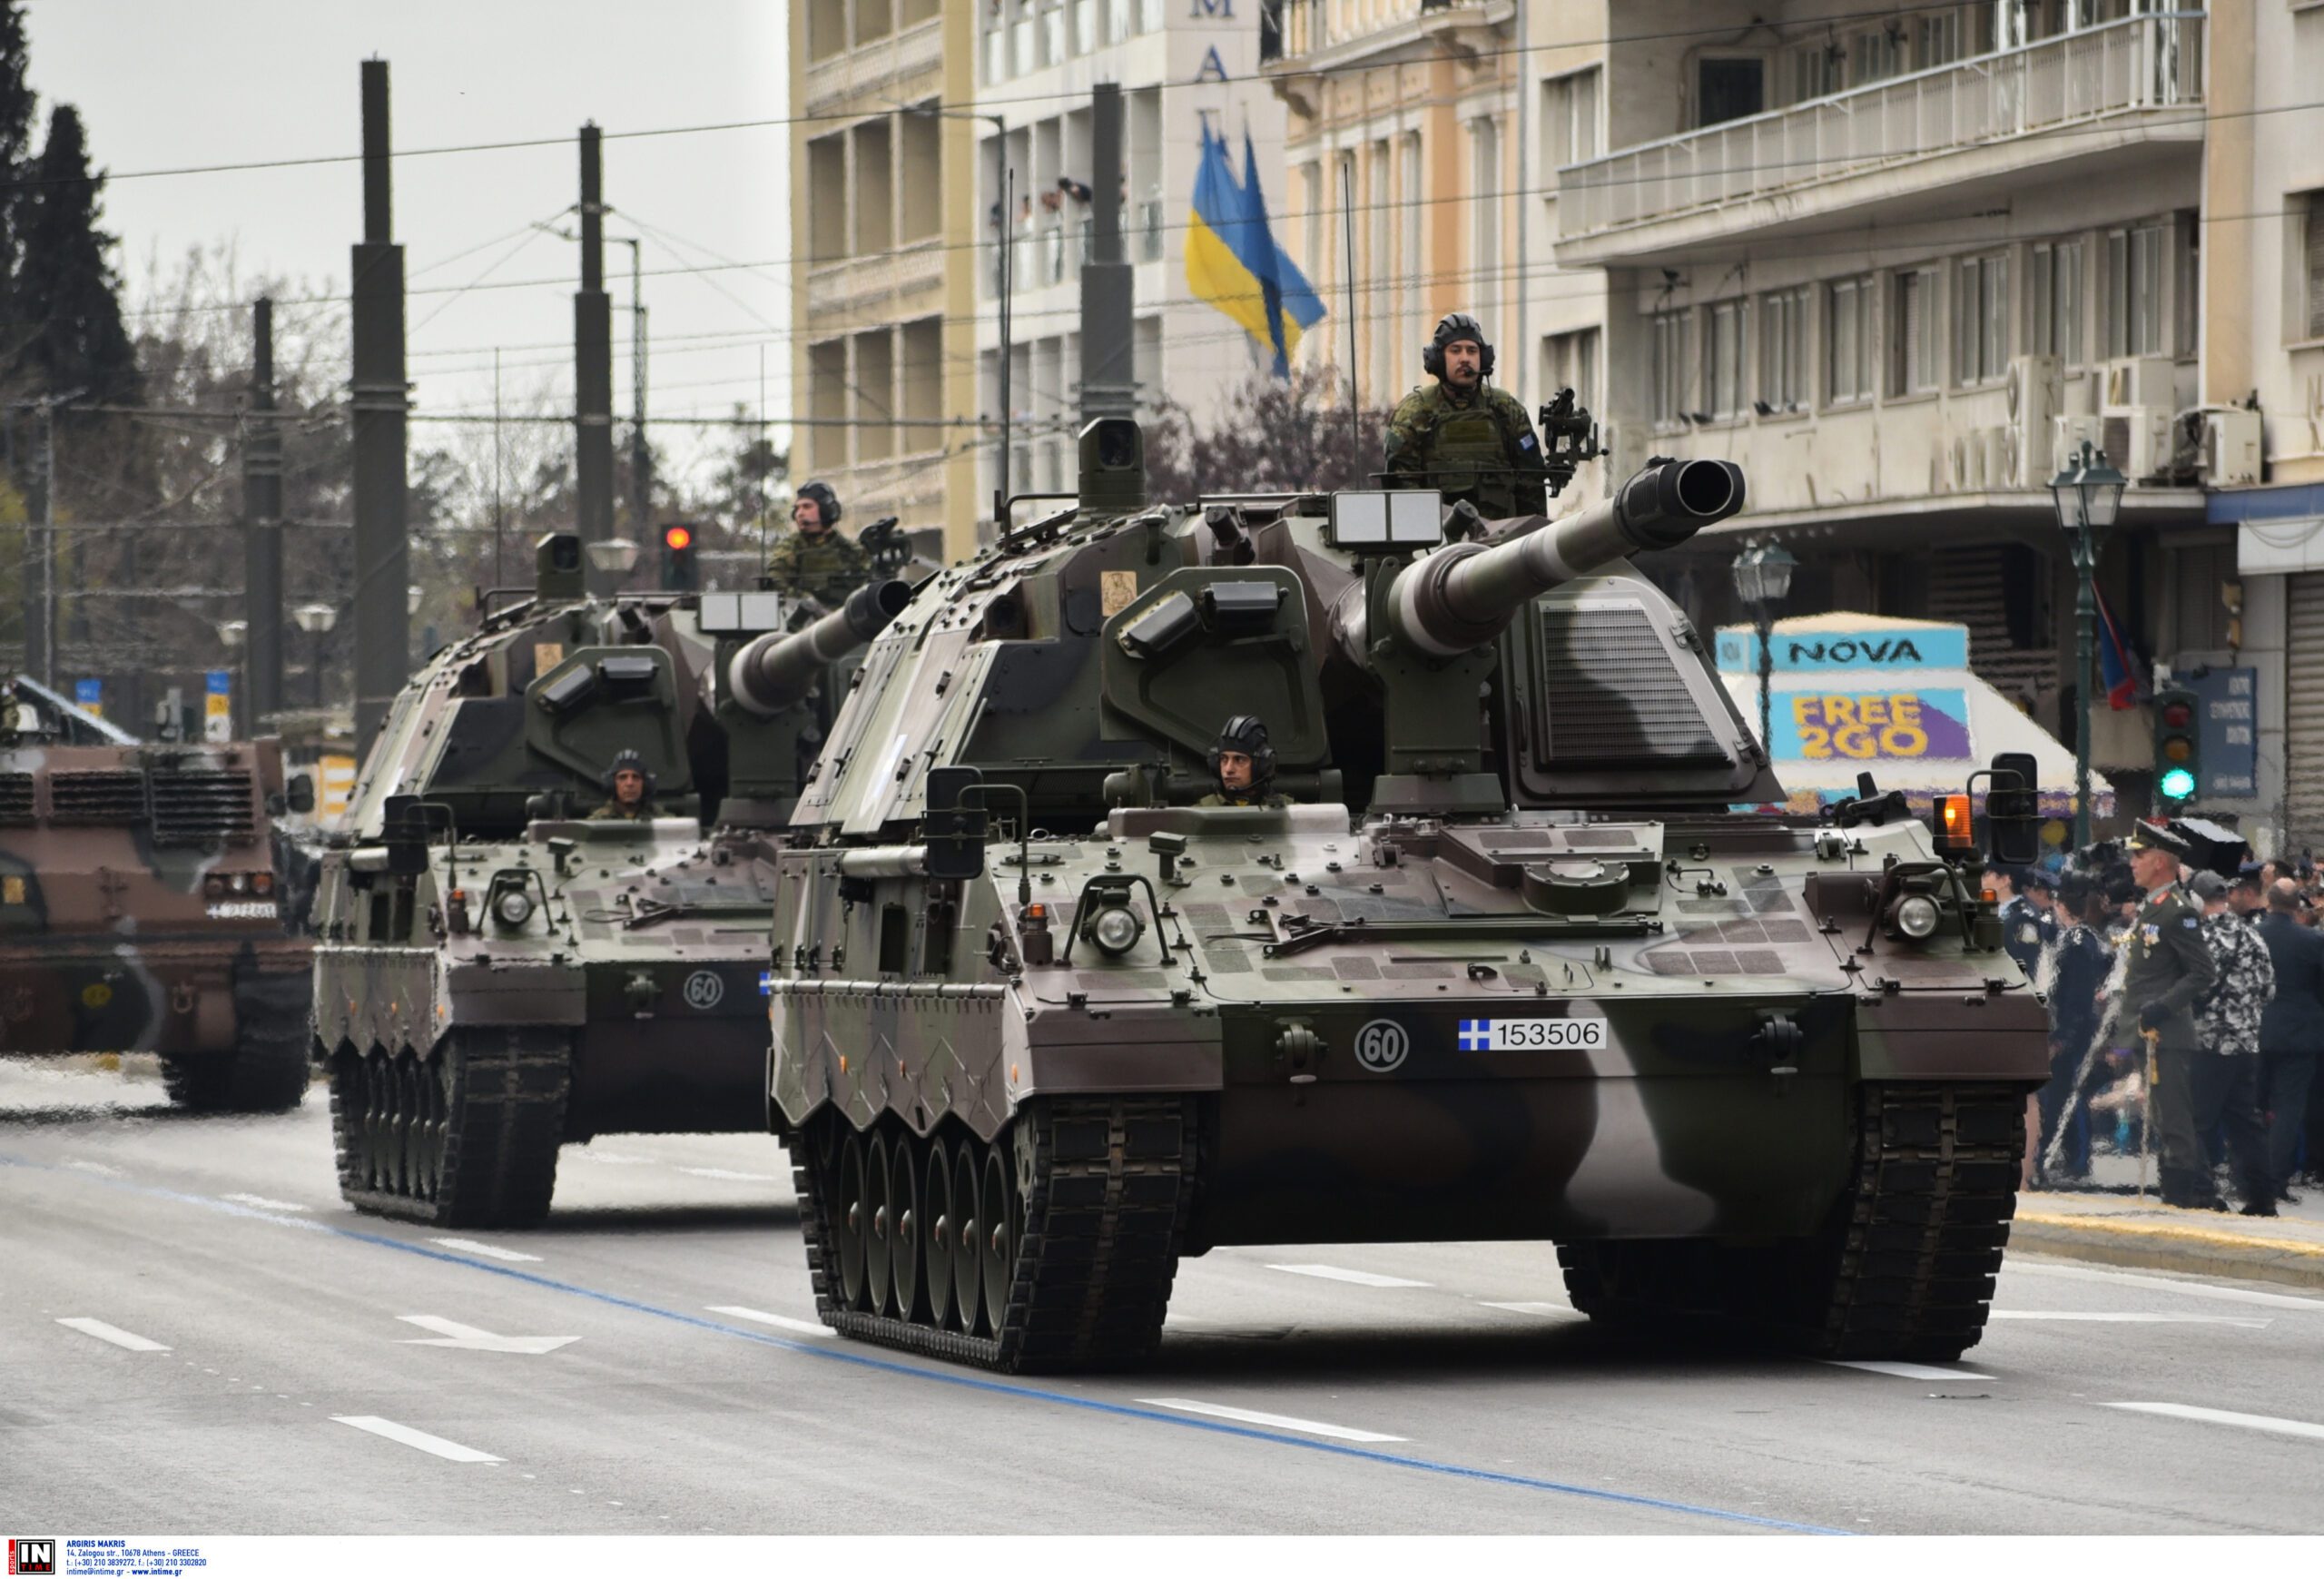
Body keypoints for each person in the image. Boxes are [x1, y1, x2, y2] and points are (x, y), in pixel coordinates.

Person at [2119, 821, 2221, 1209]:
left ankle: (2186, 1196)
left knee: (2175, 1119)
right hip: (2150, 1031)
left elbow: (2202, 972)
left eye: (2140, 855)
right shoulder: (2155, 908)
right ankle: (2182, 1189)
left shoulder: (2178, 912)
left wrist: (2163, 1006)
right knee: (2163, 1116)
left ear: (2160, 861)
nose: (2133, 862)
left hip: (2168, 1031)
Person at [1384, 312, 1550, 519]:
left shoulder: (1505, 410)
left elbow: (1531, 485)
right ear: (1437, 358)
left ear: (1484, 357)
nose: (1465, 358)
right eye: (1455, 350)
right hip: (1437, 547)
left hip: (1503, 544)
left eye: (1472, 351)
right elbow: (1402, 490)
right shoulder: (1415, 413)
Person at [2189, 871, 2277, 1215]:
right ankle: (2261, 1198)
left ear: (2197, 900)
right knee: (2246, 1125)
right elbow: (2269, 990)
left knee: (2195, 1120)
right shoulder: (2253, 937)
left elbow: (2191, 986)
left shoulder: (2199, 938)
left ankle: (2202, 1193)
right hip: (2246, 1046)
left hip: (2208, 1044)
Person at [2036, 877, 2115, 1182]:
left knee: (2073, 1093)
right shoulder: (2073, 939)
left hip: (2076, 1029)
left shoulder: (2079, 943)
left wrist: (2064, 1036)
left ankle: (2079, 1160)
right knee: (2059, 1094)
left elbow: (2077, 996)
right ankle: (2066, 1154)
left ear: (2061, 906)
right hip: (2070, 1026)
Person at [2257, 878, 2324, 1202]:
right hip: (2300, 1035)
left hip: (2257, 1029)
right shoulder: (2311, 941)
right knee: (2288, 1109)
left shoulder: (2253, 935)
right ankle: (2274, 1181)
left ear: (2268, 901)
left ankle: (2249, 1175)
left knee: (2254, 1106)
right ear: (2298, 905)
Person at [763, 480, 870, 606]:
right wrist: (804, 600)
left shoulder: (851, 551)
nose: (800, 514)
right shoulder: (791, 547)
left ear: (827, 510)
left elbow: (868, 585)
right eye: (797, 509)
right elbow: (775, 580)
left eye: (807, 507)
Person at [1196, 715, 1292, 808]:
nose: (1228, 769)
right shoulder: (1198, 815)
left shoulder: (1291, 814)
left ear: (1261, 766)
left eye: (1239, 760)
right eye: (1224, 759)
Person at [587, 749, 660, 821]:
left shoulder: (664, 821)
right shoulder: (597, 822)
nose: (630, 783)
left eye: (636, 777)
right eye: (622, 777)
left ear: (645, 784)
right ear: (612, 784)